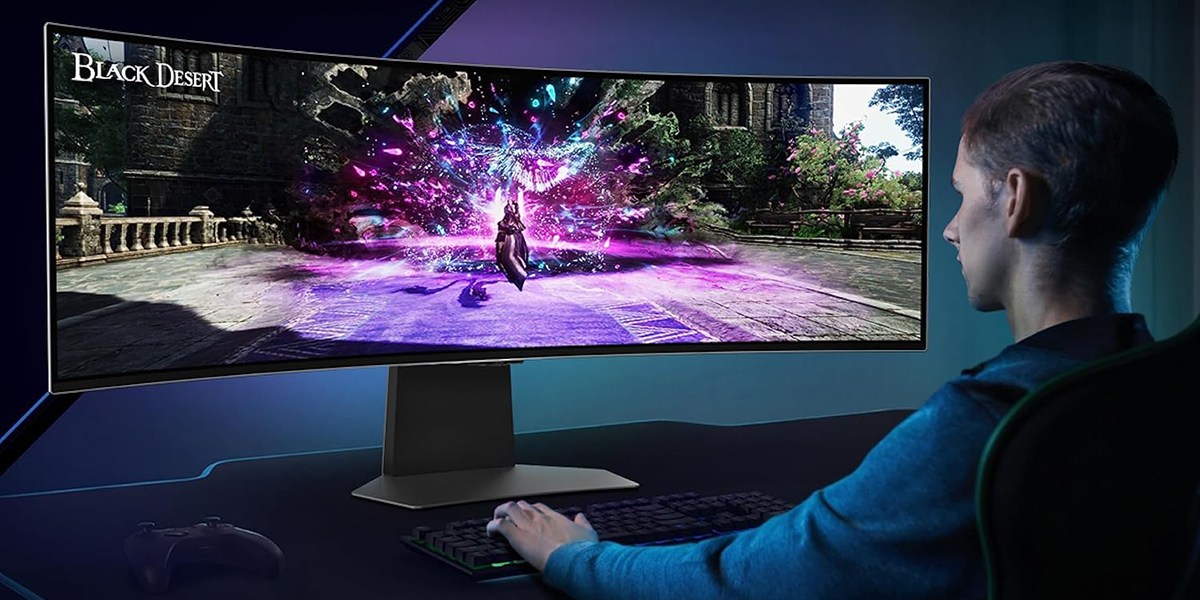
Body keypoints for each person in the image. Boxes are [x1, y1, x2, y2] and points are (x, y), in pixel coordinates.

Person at [485, 61, 1180, 599]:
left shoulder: (986, 422)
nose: (948, 228)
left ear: (1018, 200)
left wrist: (574, 556)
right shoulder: (1161, 385)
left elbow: (740, 584)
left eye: (964, 195)